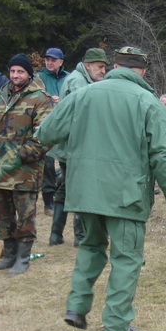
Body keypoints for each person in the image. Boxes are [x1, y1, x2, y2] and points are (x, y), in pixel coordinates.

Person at [37, 47, 166, 331]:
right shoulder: (148, 102)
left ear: (115, 66)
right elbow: (164, 153)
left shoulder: (83, 94)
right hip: (126, 196)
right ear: (142, 71)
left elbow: (47, 132)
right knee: (126, 260)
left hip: (86, 191)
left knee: (91, 246)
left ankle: (76, 306)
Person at [0, 53, 53, 274]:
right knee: (2, 215)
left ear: (29, 74)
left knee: (25, 217)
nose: (15, 75)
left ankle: (23, 259)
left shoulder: (39, 98)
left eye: (20, 71)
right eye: (13, 71)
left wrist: (22, 155)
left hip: (25, 172)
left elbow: (44, 135)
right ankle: (9, 254)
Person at [50, 48, 110, 247]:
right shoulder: (78, 82)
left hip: (70, 147)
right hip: (75, 148)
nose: (103, 71)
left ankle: (56, 235)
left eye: (104, 67)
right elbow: (80, 117)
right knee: (79, 190)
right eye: (100, 67)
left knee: (65, 188)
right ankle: (80, 236)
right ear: (88, 65)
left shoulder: (82, 79)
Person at [39, 47, 68, 214]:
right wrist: (49, 99)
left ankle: (64, 195)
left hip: (64, 125)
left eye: (53, 60)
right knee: (48, 163)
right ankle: (48, 201)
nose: (49, 62)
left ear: (61, 62)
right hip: (46, 123)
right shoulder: (39, 77)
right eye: (47, 59)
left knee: (65, 161)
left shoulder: (69, 78)